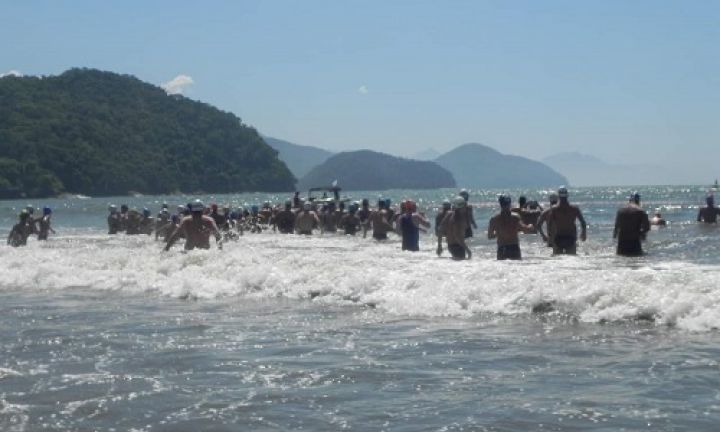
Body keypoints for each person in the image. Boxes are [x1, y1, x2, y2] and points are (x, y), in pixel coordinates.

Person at [537, 186, 587, 255]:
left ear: (558, 196)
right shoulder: (574, 209)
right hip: (571, 237)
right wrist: (583, 233)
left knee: (557, 260)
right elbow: (583, 223)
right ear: (567, 195)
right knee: (571, 260)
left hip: (559, 237)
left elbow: (550, 224)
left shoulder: (554, 209)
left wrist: (550, 236)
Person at [487, 195, 533, 260]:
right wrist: (530, 226)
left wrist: (499, 233)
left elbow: (490, 236)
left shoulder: (494, 219)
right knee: (516, 269)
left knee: (502, 269)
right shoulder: (515, 217)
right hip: (514, 248)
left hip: (502, 248)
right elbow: (525, 229)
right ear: (509, 204)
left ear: (500, 204)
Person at [613, 192, 650, 257]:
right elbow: (647, 227)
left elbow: (616, 228)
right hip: (634, 242)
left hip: (622, 243)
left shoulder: (620, 211)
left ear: (629, 200)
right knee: (636, 262)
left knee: (621, 262)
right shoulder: (641, 211)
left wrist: (614, 237)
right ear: (638, 201)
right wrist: (641, 235)